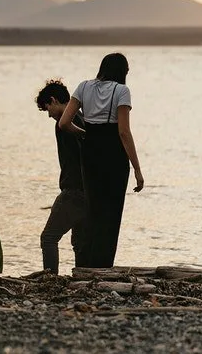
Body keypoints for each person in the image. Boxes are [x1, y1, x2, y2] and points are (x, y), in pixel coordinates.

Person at [59, 53, 144, 268]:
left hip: (90, 152)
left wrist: (83, 135)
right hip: (113, 153)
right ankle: (104, 264)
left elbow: (64, 122)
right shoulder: (122, 91)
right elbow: (124, 132)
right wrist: (137, 168)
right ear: (121, 71)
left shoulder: (83, 86)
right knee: (112, 210)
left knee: (93, 208)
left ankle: (86, 263)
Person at [35, 79, 89, 274]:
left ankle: (50, 277)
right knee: (80, 242)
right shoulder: (81, 118)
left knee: (49, 238)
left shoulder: (64, 123)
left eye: (47, 108)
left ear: (53, 100)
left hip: (73, 190)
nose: (48, 114)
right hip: (87, 191)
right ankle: (83, 275)